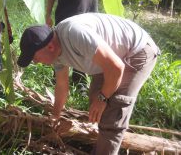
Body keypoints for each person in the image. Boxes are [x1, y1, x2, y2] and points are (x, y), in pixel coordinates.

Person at [17, 13, 160, 155]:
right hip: (110, 58)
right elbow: (62, 85)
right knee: (95, 101)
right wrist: (55, 115)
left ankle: (107, 143)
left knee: (113, 110)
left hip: (137, 51)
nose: (35, 62)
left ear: (49, 47)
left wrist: (103, 99)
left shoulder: (75, 35)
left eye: (34, 57)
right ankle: (102, 142)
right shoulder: (56, 54)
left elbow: (116, 68)